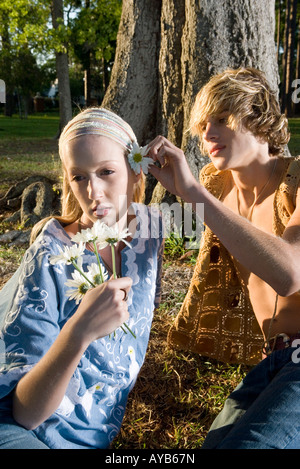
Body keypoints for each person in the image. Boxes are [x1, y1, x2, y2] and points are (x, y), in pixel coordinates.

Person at [147, 67, 300, 449]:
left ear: (259, 117)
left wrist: (195, 196)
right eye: (203, 125)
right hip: (274, 361)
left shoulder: (297, 180)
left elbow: (291, 273)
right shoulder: (219, 188)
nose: (208, 133)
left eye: (222, 118)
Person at [0, 107, 164, 449]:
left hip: (91, 438)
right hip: (28, 431)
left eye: (106, 172)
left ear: (136, 172)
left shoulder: (152, 230)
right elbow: (25, 412)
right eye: (79, 177)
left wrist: (188, 187)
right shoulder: (51, 256)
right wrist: (80, 331)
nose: (94, 193)